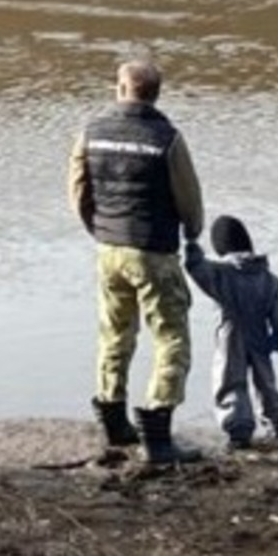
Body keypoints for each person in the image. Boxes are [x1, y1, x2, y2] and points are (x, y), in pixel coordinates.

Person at [69, 59, 205, 465]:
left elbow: (78, 190)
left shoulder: (90, 132)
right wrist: (193, 233)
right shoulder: (167, 139)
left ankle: (114, 421)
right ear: (156, 93)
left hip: (108, 248)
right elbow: (190, 201)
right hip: (154, 251)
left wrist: (98, 228)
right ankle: (158, 435)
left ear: (121, 88)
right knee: (172, 338)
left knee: (114, 333)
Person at [184, 214, 278, 451]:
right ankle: (275, 421)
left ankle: (239, 429)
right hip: (260, 334)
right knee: (266, 379)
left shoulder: (221, 273)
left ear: (221, 248)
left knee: (230, 379)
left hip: (230, 333)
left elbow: (196, 268)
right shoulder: (270, 279)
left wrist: (192, 245)